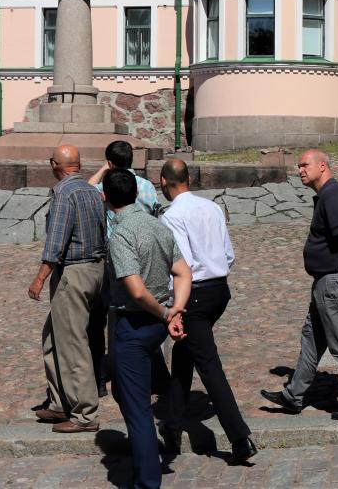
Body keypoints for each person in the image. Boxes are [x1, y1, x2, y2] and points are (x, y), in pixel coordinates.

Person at [261, 149, 338, 422]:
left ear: (323, 166)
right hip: (327, 282)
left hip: (333, 282)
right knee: (312, 339)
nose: (300, 170)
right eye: (299, 166)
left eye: (305, 165)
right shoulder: (331, 197)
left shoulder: (333, 196)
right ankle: (294, 396)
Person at [157, 158, 256, 464]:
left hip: (194, 295)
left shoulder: (172, 216)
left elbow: (181, 266)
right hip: (219, 290)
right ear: (189, 179)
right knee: (185, 356)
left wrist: (175, 307)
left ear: (164, 182)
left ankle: (240, 438)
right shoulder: (212, 207)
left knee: (209, 367)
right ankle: (171, 426)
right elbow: (228, 254)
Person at [104, 167, 192, 489]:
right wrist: (175, 310)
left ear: (106, 198)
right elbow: (184, 273)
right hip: (155, 324)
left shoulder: (122, 234)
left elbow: (136, 291)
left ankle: (147, 482)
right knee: (126, 391)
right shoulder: (158, 225)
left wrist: (168, 312)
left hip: (137, 323)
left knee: (138, 411)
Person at [28, 143, 107, 433]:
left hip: (73, 273)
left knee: (73, 344)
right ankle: (60, 402)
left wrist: (39, 279)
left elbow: (55, 243)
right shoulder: (90, 191)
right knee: (52, 337)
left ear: (54, 164)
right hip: (95, 270)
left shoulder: (64, 193)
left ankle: (85, 414)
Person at [86, 140, 164, 398]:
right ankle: (155, 375)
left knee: (105, 316)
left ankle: (101, 378)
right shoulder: (146, 186)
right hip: (145, 253)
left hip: (116, 257)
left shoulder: (105, 185)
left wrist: (102, 169)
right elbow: (155, 213)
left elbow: (87, 189)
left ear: (110, 162)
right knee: (145, 310)